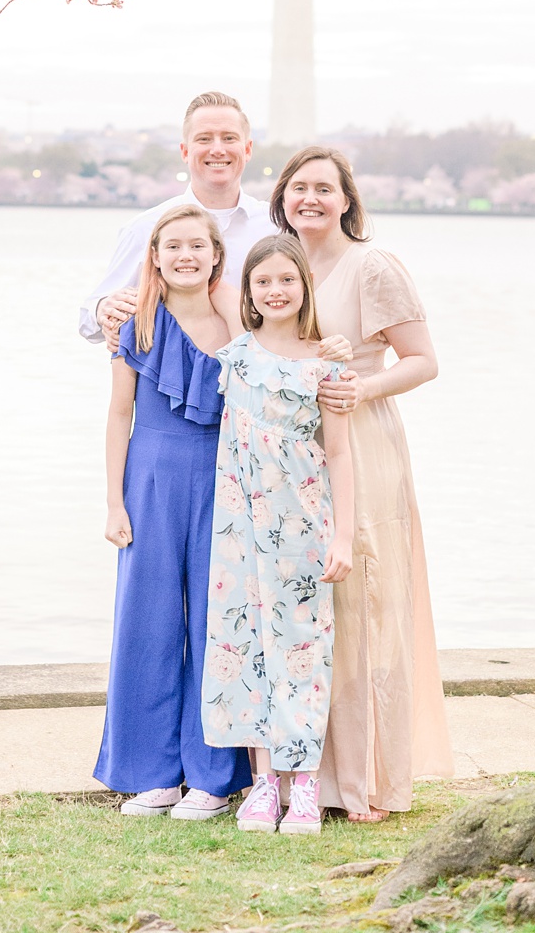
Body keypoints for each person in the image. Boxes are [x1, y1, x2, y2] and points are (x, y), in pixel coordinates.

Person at [270, 145, 452, 820]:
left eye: (324, 188)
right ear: (283, 198)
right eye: (298, 187)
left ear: (347, 200)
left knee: (364, 600)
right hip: (291, 454)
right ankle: (305, 775)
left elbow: (424, 360)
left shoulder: (371, 267)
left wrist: (359, 388)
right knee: (307, 609)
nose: (310, 198)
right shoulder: (279, 268)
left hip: (363, 443)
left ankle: (367, 779)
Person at [94, 206, 252, 816]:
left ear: (216, 255)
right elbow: (118, 415)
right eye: (172, 246)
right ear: (154, 257)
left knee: (218, 626)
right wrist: (114, 502)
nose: (185, 255)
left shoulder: (238, 327)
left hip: (223, 480)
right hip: (151, 479)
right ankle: (151, 772)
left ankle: (214, 777)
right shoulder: (136, 324)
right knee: (147, 622)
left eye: (197, 245)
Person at [208, 234, 355, 836]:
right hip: (240, 527)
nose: (275, 290)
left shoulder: (326, 364)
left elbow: (341, 456)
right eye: (262, 281)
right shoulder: (234, 357)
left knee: (302, 649)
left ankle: (304, 789)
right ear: (247, 292)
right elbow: (188, 277)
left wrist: (342, 536)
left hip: (301, 524)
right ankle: (263, 783)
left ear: (305, 288)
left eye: (286, 280)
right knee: (248, 647)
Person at [79, 92, 277, 346]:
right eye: (204, 139)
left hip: (257, 378)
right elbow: (88, 323)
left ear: (247, 149)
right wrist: (104, 309)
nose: (217, 149)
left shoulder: (276, 226)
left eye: (229, 138)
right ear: (185, 151)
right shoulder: (145, 228)